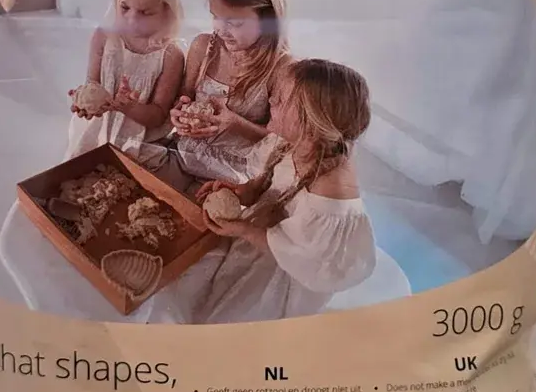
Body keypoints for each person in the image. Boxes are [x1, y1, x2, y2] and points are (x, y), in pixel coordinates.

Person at [151, 58, 377, 323]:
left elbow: (305, 255)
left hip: (282, 264)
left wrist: (245, 230)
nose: (271, 101)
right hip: (259, 235)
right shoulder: (292, 143)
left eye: (280, 100)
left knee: (229, 315)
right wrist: (243, 191)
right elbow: (273, 183)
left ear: (311, 121)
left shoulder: (330, 188)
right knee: (186, 280)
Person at [170, 0, 288, 185]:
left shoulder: (282, 69)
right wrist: (179, 112)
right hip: (184, 158)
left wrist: (235, 124)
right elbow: (184, 96)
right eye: (215, 16)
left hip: (237, 178)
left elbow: (282, 142)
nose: (221, 30)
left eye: (235, 22)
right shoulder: (203, 47)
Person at [65, 0, 185, 160]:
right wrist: (85, 101)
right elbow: (92, 84)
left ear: (167, 10)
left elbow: (158, 115)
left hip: (139, 145)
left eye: (145, 12)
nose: (131, 19)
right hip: (95, 136)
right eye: (125, 8)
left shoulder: (170, 55)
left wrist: (130, 107)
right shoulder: (104, 37)